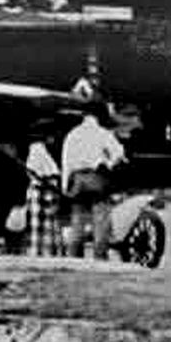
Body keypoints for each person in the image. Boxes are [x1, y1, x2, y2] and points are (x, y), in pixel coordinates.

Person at [60, 102, 126, 260]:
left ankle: (74, 257)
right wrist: (108, 163)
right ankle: (99, 256)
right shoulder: (103, 133)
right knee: (100, 219)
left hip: (77, 179)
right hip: (96, 178)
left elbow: (66, 162)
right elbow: (118, 154)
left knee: (77, 219)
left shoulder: (72, 134)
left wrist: (65, 186)